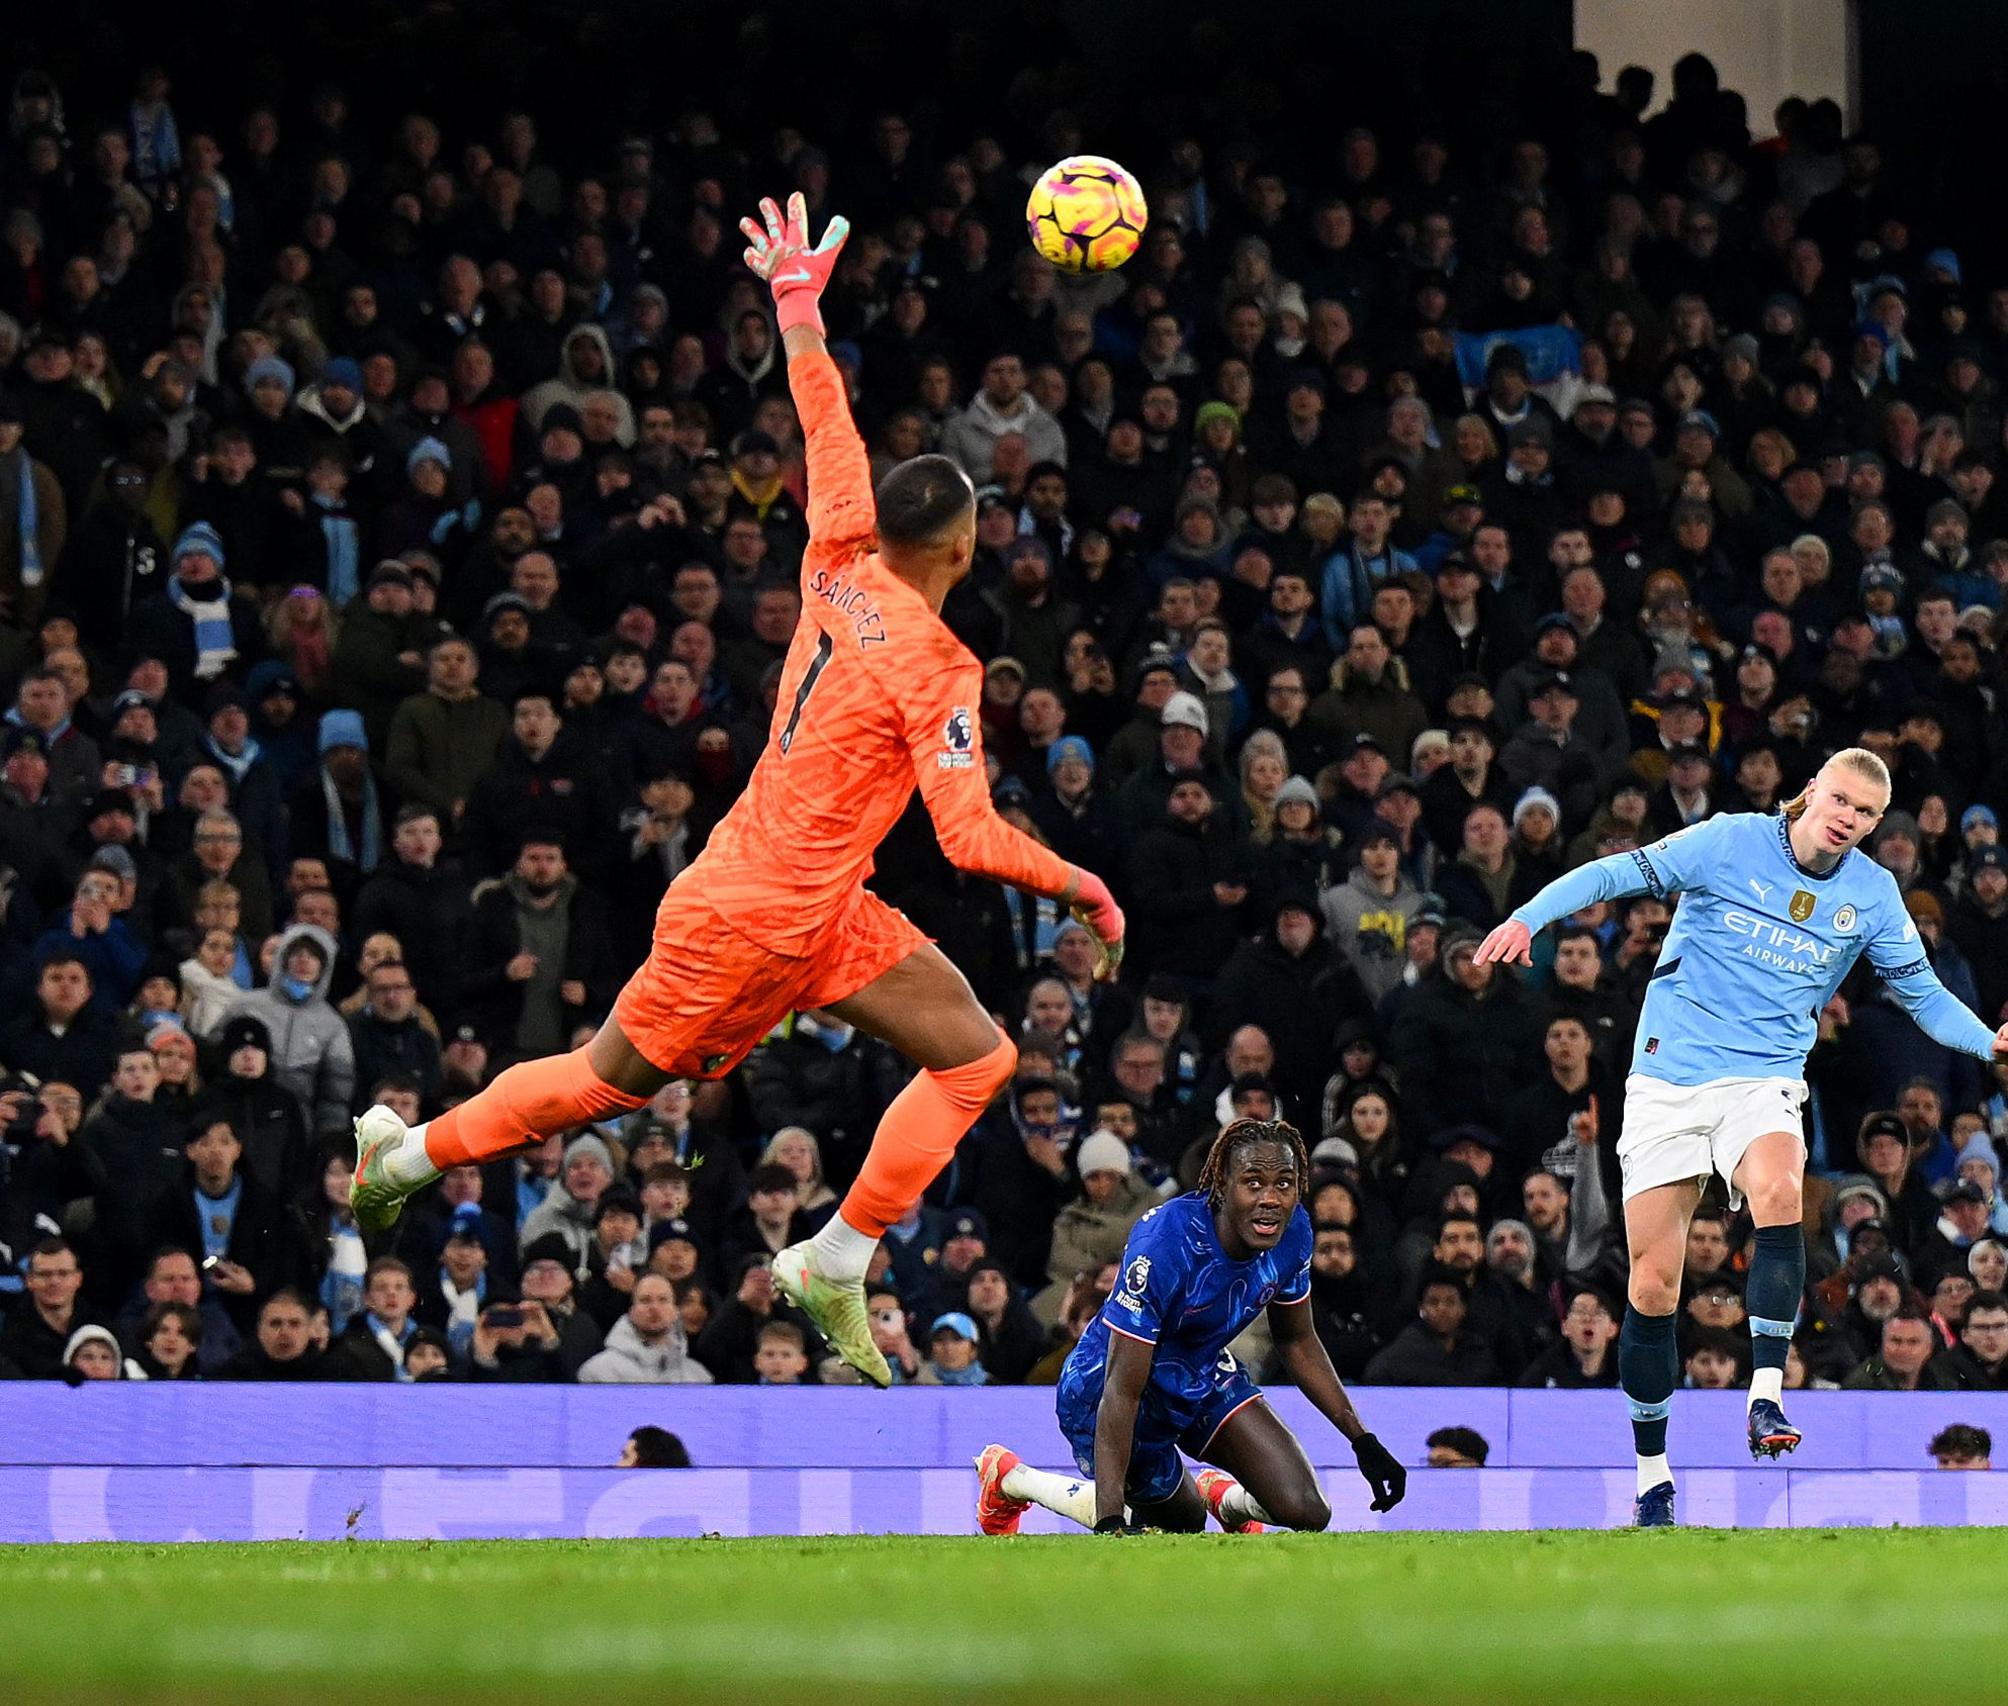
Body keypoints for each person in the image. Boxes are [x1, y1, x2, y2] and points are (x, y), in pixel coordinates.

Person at [347, 197, 1126, 1387]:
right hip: (751, 919)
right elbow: (967, 838)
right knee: (608, 1082)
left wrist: (798, 303)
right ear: (963, 552)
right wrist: (1084, 888)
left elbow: (826, 425)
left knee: (977, 1054)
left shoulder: (837, 553)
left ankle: (836, 1256)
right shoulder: (938, 660)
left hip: (818, 897)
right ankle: (405, 1161)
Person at [1476, 747, 2008, 1522]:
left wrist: (1987, 1040)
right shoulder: (1728, 840)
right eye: (1840, 799)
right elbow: (1613, 874)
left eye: (1866, 814)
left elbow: (1924, 996)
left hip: (1763, 1078)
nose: (1849, 819)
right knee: (1651, 1288)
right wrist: (1527, 917)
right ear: (1810, 793)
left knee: (1779, 1188)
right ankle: (1652, 1478)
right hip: (1668, 1081)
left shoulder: (1872, 895)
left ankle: (1765, 1395)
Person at [972, 1119, 1406, 1535]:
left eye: (1284, 1184)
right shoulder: (1165, 1244)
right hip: (1105, 1389)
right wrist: (1108, 1520)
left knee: (1309, 1511)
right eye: (1253, 1182)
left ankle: (1225, 1499)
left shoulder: (1293, 1233)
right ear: (1221, 1186)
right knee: (1182, 1525)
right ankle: (1012, 1478)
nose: (1271, 1198)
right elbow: (1122, 1389)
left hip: (1199, 1371)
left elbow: (1297, 1340)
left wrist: (1362, 1440)